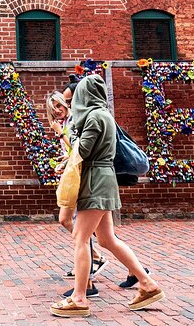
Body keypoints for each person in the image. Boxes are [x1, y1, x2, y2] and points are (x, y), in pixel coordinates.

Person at [50, 75, 163, 317]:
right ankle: (147, 283)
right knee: (106, 239)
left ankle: (79, 298)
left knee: (80, 238)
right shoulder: (102, 114)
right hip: (102, 177)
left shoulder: (93, 117)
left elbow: (84, 150)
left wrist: (65, 137)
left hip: (95, 181)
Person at [47, 89, 108, 299]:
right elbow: (71, 155)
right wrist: (62, 164)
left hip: (87, 179)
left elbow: (80, 150)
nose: (56, 111)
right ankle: (136, 273)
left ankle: (87, 282)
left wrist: (61, 134)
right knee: (80, 227)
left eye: (59, 105)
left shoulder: (76, 121)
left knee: (88, 233)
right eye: (53, 109)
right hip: (76, 175)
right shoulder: (66, 123)